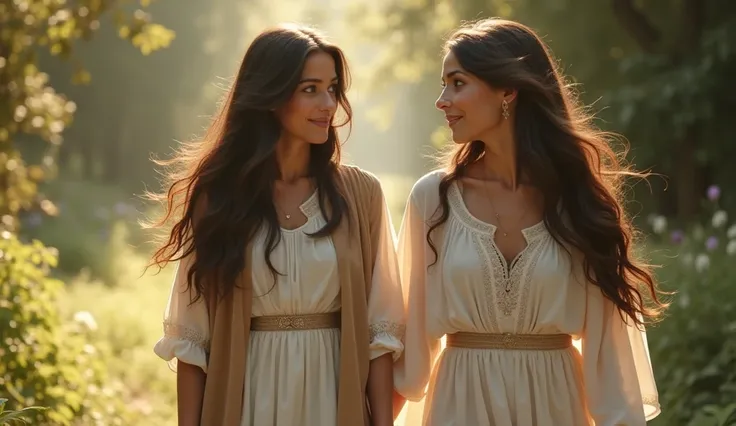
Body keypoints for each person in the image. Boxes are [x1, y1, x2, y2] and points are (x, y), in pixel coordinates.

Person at [392, 18, 667, 426]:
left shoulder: (579, 202)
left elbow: (611, 366)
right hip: (458, 408)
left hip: (557, 409)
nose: (442, 100)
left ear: (508, 89)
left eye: (457, 82)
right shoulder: (433, 200)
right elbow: (409, 351)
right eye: (443, 84)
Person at [146, 23, 404, 426]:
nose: (328, 104)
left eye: (333, 88)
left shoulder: (362, 194)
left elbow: (381, 333)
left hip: (332, 396)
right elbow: (191, 339)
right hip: (248, 397)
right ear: (269, 96)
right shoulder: (220, 198)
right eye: (310, 89)